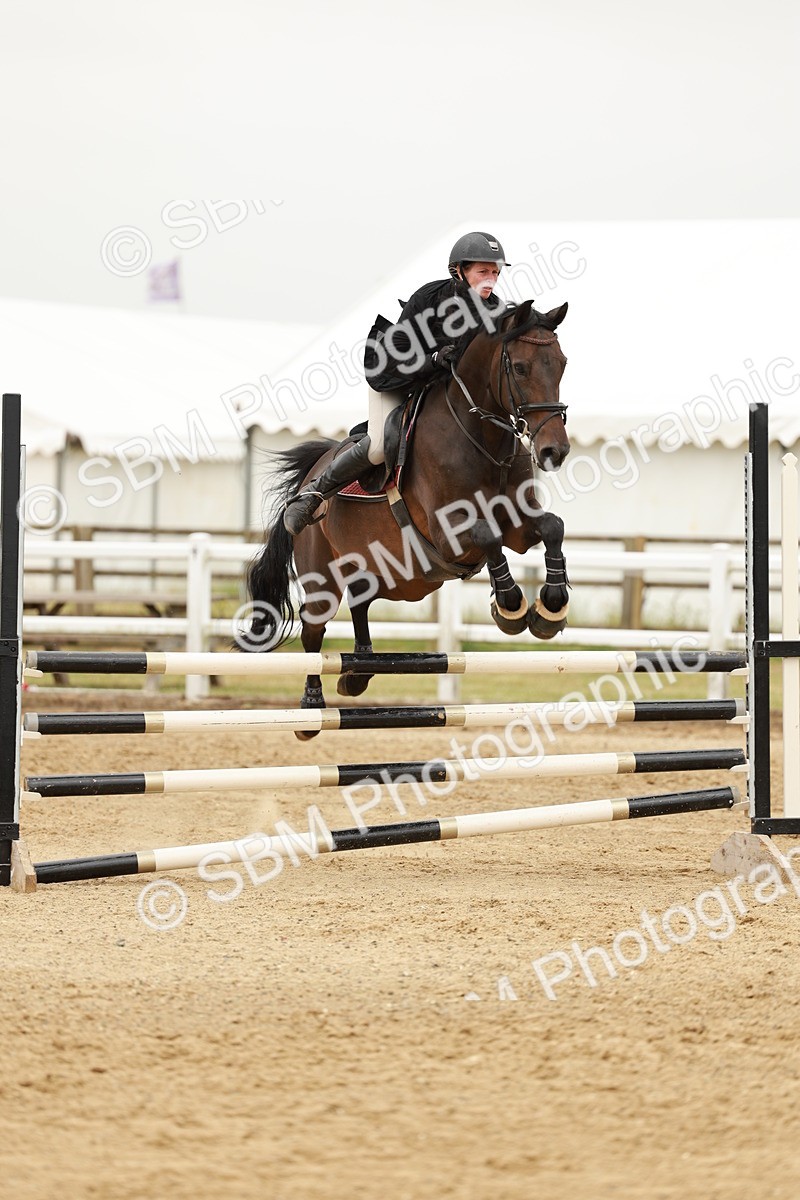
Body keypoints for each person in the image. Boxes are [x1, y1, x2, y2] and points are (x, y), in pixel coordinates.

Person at [283, 231, 510, 536]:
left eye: (495, 272)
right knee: (378, 448)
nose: (490, 279)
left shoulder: (495, 311)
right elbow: (399, 353)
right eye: (483, 271)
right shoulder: (430, 299)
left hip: (442, 393)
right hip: (396, 378)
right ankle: (312, 494)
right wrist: (432, 359)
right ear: (459, 271)